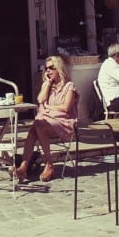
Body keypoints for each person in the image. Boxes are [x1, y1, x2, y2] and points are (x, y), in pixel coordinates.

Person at [15, 55, 77, 183]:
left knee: (38, 125)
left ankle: (49, 164)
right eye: (46, 68)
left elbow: (65, 108)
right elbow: (40, 100)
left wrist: (48, 107)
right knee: (36, 127)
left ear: (59, 68)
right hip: (46, 120)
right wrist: (48, 84)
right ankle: (24, 166)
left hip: (63, 121)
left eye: (51, 68)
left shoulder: (69, 86)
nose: (48, 71)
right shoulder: (47, 84)